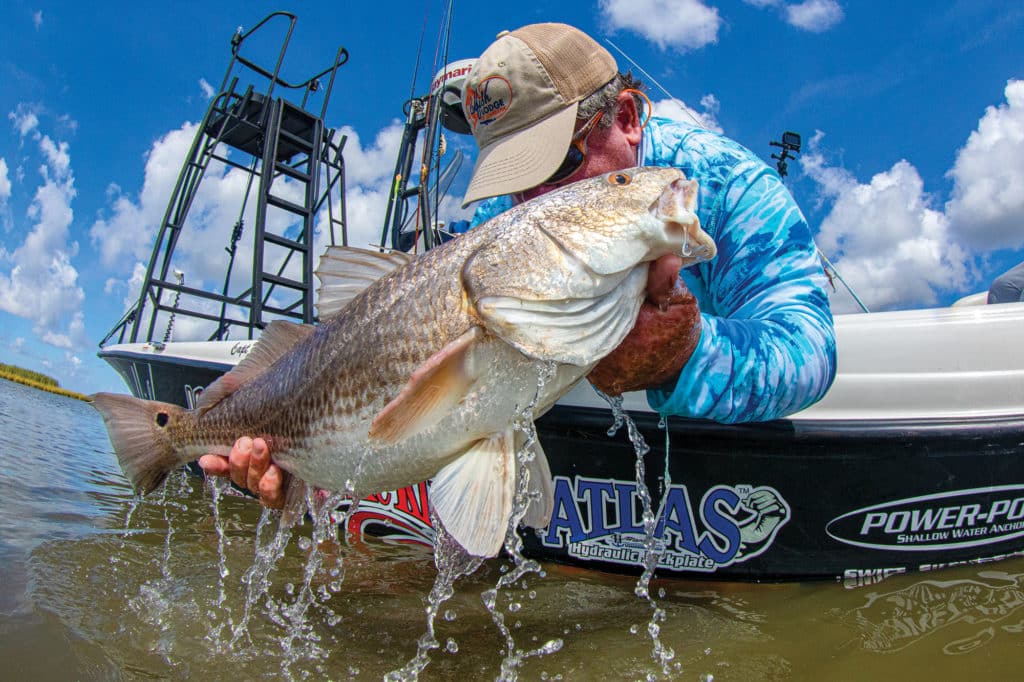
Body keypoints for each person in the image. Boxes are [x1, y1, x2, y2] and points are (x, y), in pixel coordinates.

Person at [201, 22, 837, 507]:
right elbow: (412, 382)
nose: (536, 201)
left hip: (713, 474)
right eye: (515, 178)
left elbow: (809, 350)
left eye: (555, 165)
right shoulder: (507, 223)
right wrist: (317, 474)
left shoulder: (725, 183)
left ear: (624, 117)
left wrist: (686, 355)